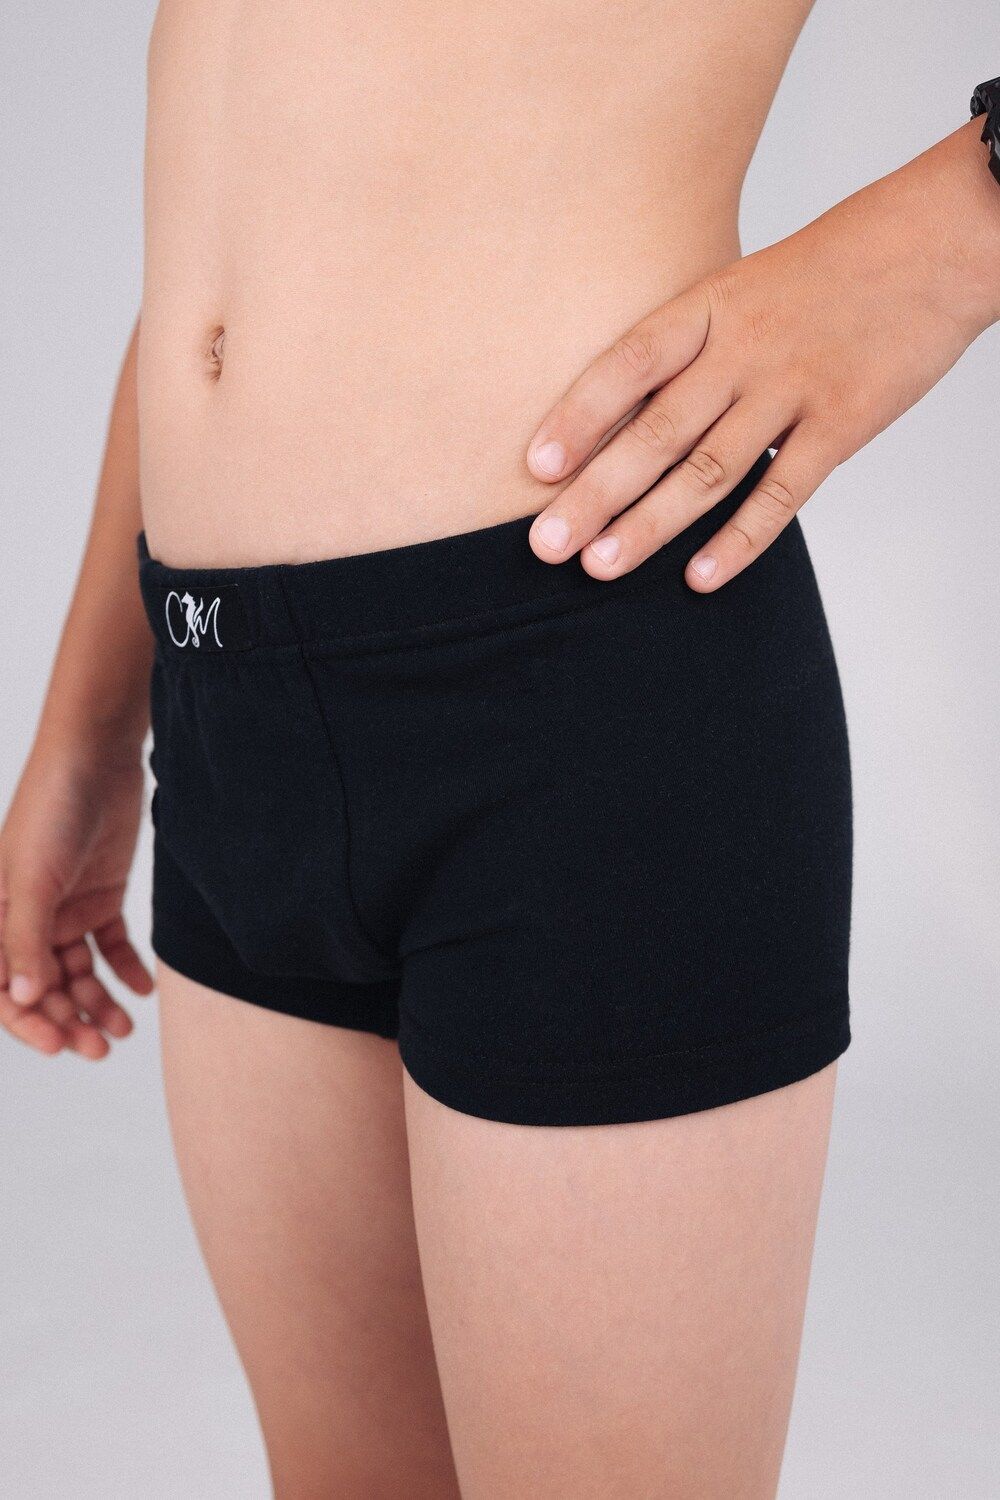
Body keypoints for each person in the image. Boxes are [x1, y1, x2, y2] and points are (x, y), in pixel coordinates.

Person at [2, 0, 997, 1490]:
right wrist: (88, 727)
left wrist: (952, 232)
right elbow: (245, 208)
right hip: (221, 698)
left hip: (581, 675)